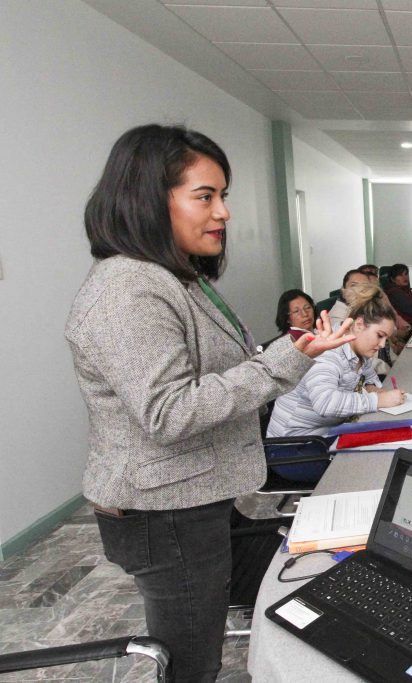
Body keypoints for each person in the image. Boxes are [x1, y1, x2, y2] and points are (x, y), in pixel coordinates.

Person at [64, 124, 354, 682]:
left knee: (290, 582)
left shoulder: (178, 278)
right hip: (166, 512)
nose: (223, 212)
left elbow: (223, 367)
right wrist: (282, 362)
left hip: (202, 495)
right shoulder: (128, 288)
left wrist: (290, 352)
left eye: (223, 196)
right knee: (194, 665)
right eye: (205, 196)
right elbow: (169, 412)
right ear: (149, 200)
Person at [267, 285, 406, 437]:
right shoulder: (327, 353)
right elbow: (325, 403)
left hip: (327, 431)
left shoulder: (357, 345)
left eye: (386, 338)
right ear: (359, 325)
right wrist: (376, 400)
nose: (382, 345)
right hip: (297, 442)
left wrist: (373, 387)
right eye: (379, 335)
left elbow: (368, 374)